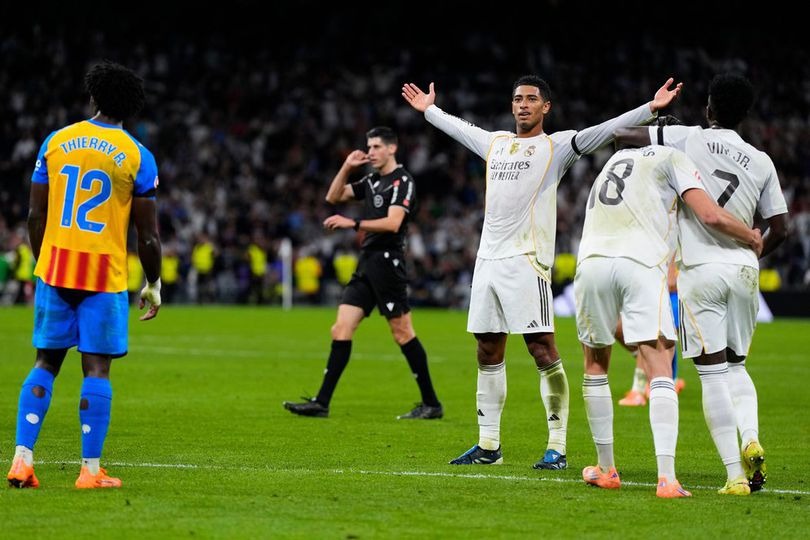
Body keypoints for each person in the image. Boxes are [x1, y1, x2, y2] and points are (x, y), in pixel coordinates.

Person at [402, 76, 682, 468]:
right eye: (517, 99)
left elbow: (604, 132)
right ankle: (488, 445)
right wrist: (430, 111)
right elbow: (461, 129)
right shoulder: (496, 143)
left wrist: (650, 109)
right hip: (488, 262)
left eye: (531, 99)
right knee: (486, 349)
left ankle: (558, 446)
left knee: (542, 349)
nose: (522, 105)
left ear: (545, 107)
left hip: (527, 261)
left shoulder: (557, 146)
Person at [615, 73, 789, 495]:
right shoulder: (762, 160)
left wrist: (655, 115)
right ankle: (750, 437)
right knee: (737, 366)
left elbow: (621, 135)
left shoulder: (686, 137)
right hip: (745, 270)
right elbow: (780, 227)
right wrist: (752, 253)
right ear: (746, 114)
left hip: (701, 271)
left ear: (709, 107)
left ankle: (734, 476)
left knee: (711, 375)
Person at [6, 61, 162, 489]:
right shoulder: (137, 155)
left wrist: (46, 265)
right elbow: (147, 235)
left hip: (55, 270)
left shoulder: (56, 141)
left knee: (45, 363)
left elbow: (36, 214)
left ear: (93, 97)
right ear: (131, 105)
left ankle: (21, 460)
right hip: (103, 275)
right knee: (96, 369)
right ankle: (90, 471)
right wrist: (154, 283)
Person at [575, 143, 761, 498]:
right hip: (641, 262)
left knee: (594, 364)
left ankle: (605, 468)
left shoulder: (612, 160)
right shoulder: (672, 155)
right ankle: (667, 479)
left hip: (591, 261)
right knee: (660, 365)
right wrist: (750, 236)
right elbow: (710, 215)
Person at [283, 127, 443, 420]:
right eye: (368, 146)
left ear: (392, 149)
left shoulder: (402, 181)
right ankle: (322, 402)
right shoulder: (372, 180)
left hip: (387, 263)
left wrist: (353, 223)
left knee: (402, 332)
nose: (371, 152)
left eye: (377, 146)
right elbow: (334, 196)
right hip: (367, 262)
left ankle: (431, 403)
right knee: (341, 328)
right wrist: (346, 166)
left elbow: (394, 223)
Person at [617, 258, 685, 407]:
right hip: (645, 278)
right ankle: (666, 376)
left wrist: (672, 269)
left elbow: (673, 238)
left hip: (671, 287)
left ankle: (638, 391)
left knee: (650, 332)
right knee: (616, 326)